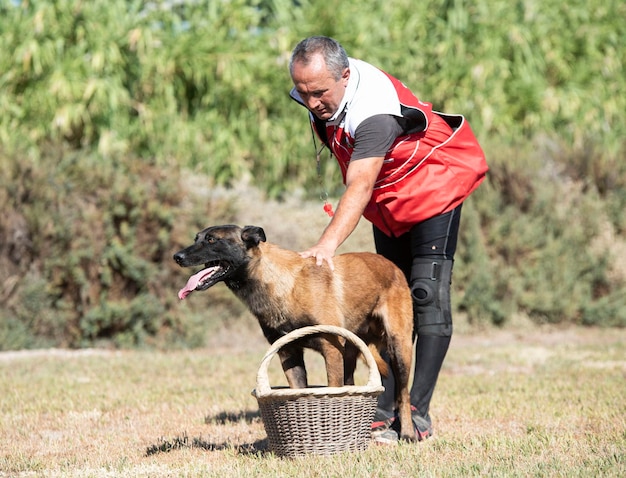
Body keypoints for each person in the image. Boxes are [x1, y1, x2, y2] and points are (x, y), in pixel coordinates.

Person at [288, 36, 488, 443]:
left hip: (434, 187)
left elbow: (359, 185)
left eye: (319, 93)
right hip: (390, 198)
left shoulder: (374, 111)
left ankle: (416, 412)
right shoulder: (322, 85)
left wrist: (327, 245)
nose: (311, 104)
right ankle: (383, 409)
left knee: (425, 295)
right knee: (386, 304)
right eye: (303, 93)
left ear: (345, 76)